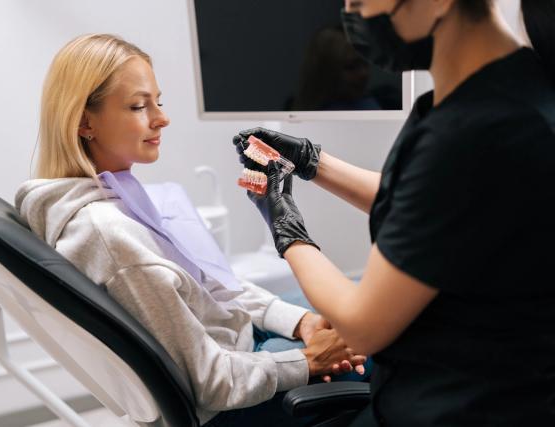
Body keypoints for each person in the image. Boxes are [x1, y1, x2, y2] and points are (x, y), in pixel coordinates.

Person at [14, 34, 367, 426]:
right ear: (84, 122)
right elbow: (211, 384)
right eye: (138, 106)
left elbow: (211, 285)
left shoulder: (120, 198)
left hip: (242, 344)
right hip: (233, 400)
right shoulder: (109, 236)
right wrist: (309, 361)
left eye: (158, 102)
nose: (161, 118)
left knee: (329, 314)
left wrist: (299, 322)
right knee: (381, 348)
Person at [232, 0, 555, 425]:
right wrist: (314, 162)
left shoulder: (480, 130)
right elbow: (434, 204)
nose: (352, 12)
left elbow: (362, 326)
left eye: (362, 0)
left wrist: (284, 225)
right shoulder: (505, 88)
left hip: (463, 406)